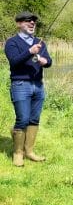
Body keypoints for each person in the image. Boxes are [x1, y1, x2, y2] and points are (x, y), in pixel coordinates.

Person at [4, 11, 52, 167]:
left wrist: (43, 60)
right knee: (22, 119)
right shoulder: (12, 42)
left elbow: (49, 61)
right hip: (20, 85)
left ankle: (29, 151)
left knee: (34, 119)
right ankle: (18, 154)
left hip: (38, 86)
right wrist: (30, 52)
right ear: (19, 24)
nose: (32, 23)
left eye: (34, 22)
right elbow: (14, 61)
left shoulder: (40, 42)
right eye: (27, 21)